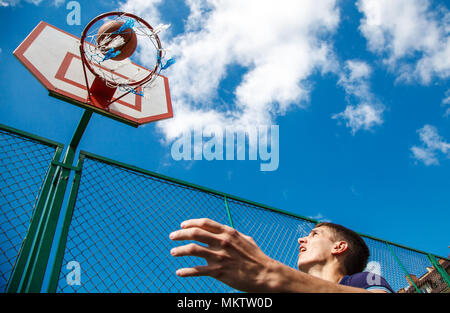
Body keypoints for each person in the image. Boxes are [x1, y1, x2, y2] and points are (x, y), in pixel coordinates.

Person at [169, 218, 394, 293]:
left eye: (314, 234)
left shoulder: (362, 281)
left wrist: (273, 273)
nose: (301, 239)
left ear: (339, 247)